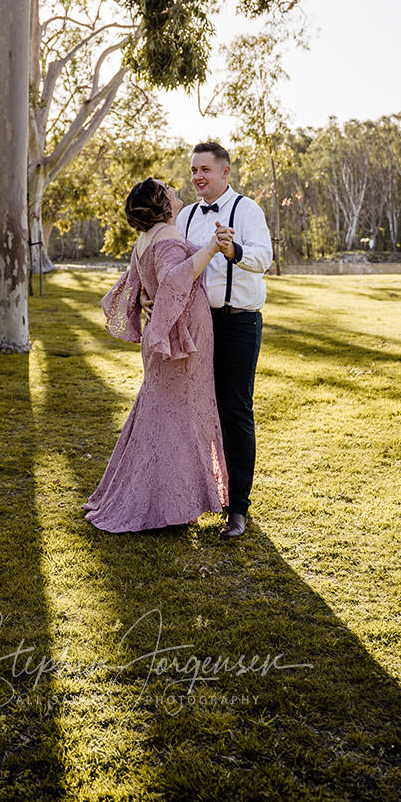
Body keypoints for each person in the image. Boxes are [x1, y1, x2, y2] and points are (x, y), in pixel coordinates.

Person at [84, 177, 229, 533]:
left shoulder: (147, 239)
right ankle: (165, 506)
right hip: (179, 339)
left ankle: (168, 501)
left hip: (167, 335)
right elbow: (171, 280)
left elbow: (137, 287)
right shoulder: (165, 237)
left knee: (163, 415)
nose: (174, 188)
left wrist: (148, 299)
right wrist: (209, 248)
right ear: (160, 200)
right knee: (176, 419)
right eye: (167, 187)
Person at [176, 142, 274, 540]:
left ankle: (238, 509)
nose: (198, 176)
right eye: (194, 170)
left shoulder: (247, 210)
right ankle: (192, 498)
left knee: (234, 413)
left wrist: (233, 249)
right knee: (194, 411)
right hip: (196, 326)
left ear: (226, 172)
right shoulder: (183, 216)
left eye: (206, 170)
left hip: (237, 325)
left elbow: (263, 258)